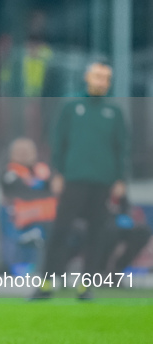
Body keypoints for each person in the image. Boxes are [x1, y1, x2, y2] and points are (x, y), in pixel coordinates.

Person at [33, 62, 129, 299]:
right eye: (97, 76)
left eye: (105, 78)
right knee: (61, 230)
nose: (101, 81)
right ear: (87, 77)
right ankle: (46, 283)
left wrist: (120, 178)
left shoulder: (114, 112)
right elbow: (59, 142)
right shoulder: (71, 106)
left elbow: (121, 148)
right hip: (73, 179)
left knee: (97, 234)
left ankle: (86, 286)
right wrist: (58, 173)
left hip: (103, 181)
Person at [1, 138, 57, 275]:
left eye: (27, 151)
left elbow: (55, 187)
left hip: (50, 219)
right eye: (20, 151)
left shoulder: (43, 170)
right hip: (23, 220)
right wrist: (43, 192)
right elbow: (19, 192)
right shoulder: (10, 173)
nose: (24, 154)